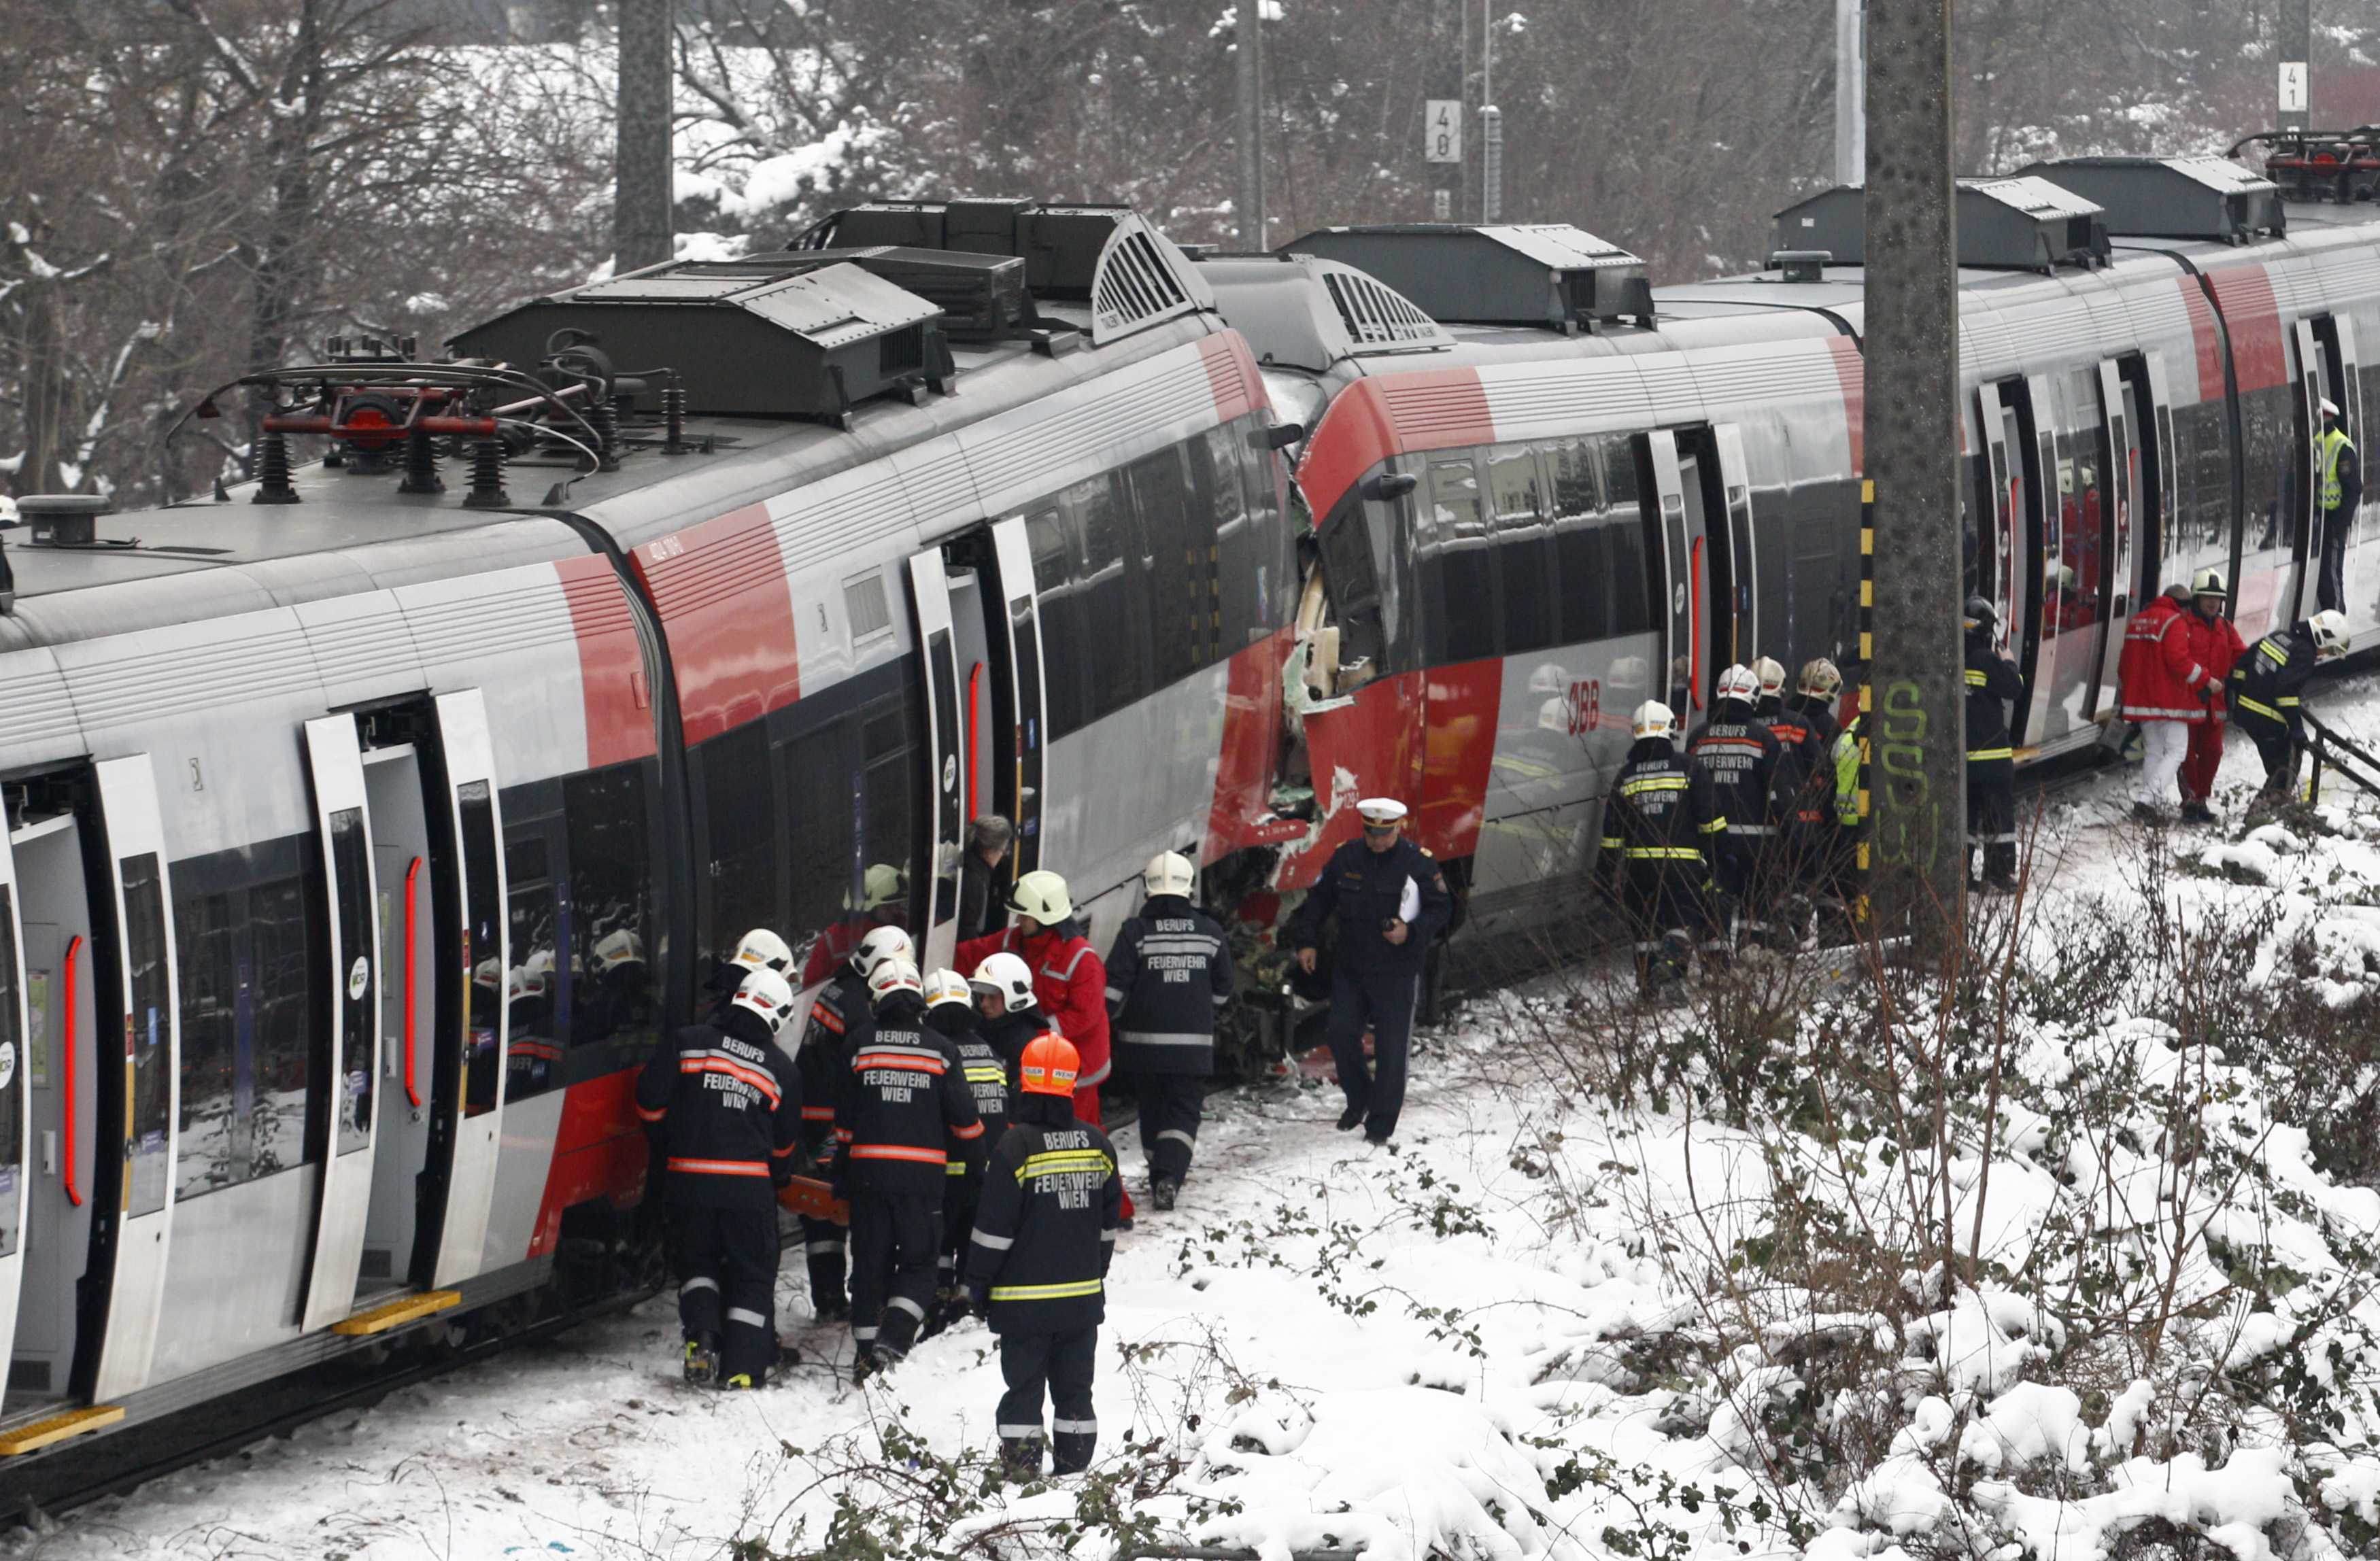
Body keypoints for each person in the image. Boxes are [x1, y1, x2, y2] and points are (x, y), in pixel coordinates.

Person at [962, 1033, 1123, 1480]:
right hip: (1081, 1302)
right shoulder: (1098, 1146)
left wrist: (977, 1285)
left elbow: (993, 1233)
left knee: (1024, 1389)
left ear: (1024, 1084)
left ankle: (1021, 1472)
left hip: (1022, 1306)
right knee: (1075, 1390)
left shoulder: (1014, 1149)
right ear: (1072, 1086)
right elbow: (1109, 1227)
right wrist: (1095, 1271)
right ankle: (1073, 1472)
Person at [633, 965, 803, 1388]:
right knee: (751, 1274)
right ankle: (742, 1371)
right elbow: (784, 1147)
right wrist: (777, 1177)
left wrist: (670, 1143)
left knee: (697, 1265)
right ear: (778, 1017)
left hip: (687, 1184)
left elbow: (650, 1101)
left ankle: (702, 1340)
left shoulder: (688, 1042)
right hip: (748, 1192)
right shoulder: (781, 1069)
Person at [834, 957, 983, 1377]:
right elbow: (966, 1123)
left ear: (876, 997)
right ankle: (895, 1339)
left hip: (868, 1177)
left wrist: (842, 1169)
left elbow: (843, 1123)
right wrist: (978, 1167)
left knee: (868, 1265)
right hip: (922, 1182)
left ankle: (866, 1356)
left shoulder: (859, 1044)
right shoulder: (941, 1049)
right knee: (920, 1264)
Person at [957, 870, 1132, 1222]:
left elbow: (1085, 1016)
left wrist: (1036, 1033)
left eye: (1026, 916)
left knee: (1084, 1137)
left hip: (1077, 1069)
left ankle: (1114, 1209)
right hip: (1038, 1061)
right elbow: (968, 954)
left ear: (1046, 917)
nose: (1020, 921)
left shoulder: (1082, 959)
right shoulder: (1013, 942)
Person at [1285, 797, 1454, 1144]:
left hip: (1396, 970)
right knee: (1340, 1032)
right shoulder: (1347, 857)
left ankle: (1380, 1126)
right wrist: (1307, 942)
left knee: (1392, 1051)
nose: (1377, 841)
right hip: (1352, 966)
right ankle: (1359, 1097)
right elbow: (1318, 902)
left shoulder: (1416, 863)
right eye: (1371, 833)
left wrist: (1411, 932)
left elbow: (1442, 909)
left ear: (1398, 828)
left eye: (1384, 834)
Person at [793, 923, 914, 1322]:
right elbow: (868, 1063)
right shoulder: (860, 1003)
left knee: (821, 1214)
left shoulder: (839, 988)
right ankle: (853, 1295)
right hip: (833, 1120)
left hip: (812, 1113)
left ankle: (828, 1297)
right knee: (850, 1203)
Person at [1104, 851, 1234, 1211]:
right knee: (1183, 1113)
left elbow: (1113, 991)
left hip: (1142, 1049)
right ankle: (1168, 1176)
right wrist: (1197, 1008)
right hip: (1192, 1050)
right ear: (1189, 891)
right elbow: (1224, 990)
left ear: (1147, 891)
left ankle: (1157, 1171)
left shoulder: (1135, 932)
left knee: (1153, 1111)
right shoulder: (1210, 932)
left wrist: (1106, 1023)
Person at [1597, 700, 1724, 997]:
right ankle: (1671, 967)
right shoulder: (1690, 768)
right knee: (1683, 920)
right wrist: (1721, 859)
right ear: (1671, 730)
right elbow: (1710, 822)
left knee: (1645, 932)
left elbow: (1613, 835)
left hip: (1639, 871)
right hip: (1683, 868)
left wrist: (1604, 878)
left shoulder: (1626, 776)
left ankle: (1649, 988)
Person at [924, 967, 1009, 1331]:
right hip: (988, 1171)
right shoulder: (988, 1050)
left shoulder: (938, 1052)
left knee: (940, 1244)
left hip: (948, 1171)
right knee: (970, 1244)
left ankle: (940, 1306)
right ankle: (966, 1301)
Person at [1686, 664, 1784, 952]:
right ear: (1753, 697)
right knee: (1757, 907)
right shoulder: (1764, 738)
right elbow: (1778, 794)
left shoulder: (1698, 738)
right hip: (1758, 846)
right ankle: (1750, 959)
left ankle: (1716, 971)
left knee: (1716, 906)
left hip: (1713, 846)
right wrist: (1793, 834)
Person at [2229, 608, 2352, 806]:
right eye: (2329, 650)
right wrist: (2297, 729)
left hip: (2247, 713)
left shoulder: (2280, 637)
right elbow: (2286, 694)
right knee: (2285, 769)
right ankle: (2262, 815)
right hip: (2265, 718)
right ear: (2322, 638)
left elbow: (2243, 663)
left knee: (2279, 767)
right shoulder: (2305, 653)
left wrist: (2236, 695)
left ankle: (2268, 811)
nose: (2324, 655)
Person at [2118, 582, 2217, 823]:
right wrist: (2207, 680)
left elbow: (2124, 663)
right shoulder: (2174, 622)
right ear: (2181, 604)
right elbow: (2178, 660)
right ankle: (2146, 800)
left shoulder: (2139, 620)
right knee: (2177, 751)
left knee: (2154, 750)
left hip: (2141, 699)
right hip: (2167, 701)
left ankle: (2150, 807)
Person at [1754, 654, 1832, 944]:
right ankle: (1796, 922)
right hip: (1802, 821)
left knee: (1764, 887)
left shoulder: (1748, 728)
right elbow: (1820, 768)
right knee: (1805, 875)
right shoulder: (1798, 724)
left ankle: (1769, 939)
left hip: (1758, 824)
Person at [1963, 598, 2026, 893]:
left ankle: (1961, 875)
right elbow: (2014, 689)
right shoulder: (1986, 660)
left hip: (1963, 758)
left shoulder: (1950, 658)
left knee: (1966, 817)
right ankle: (1998, 874)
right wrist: (2009, 662)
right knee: (1998, 817)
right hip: (1992, 756)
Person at [2179, 569, 2247, 825]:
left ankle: (2201, 798)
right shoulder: (2183, 625)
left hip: (2214, 705)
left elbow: (2242, 655)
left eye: (2216, 598)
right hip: (2187, 702)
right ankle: (2190, 802)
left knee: (2213, 752)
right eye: (2207, 597)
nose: (2212, 602)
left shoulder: (2226, 628)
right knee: (2186, 755)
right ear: (2196, 598)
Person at [2317, 397, 2361, 613]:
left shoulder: (2342, 446)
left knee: (2330, 578)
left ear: (2330, 416)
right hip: (2317, 523)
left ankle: (2336, 627)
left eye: (2323, 415)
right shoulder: (2315, 441)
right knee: (2319, 578)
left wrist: (2340, 525)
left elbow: (2353, 489)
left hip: (2334, 522)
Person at [958, 816, 1018, 942]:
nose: (1004, 855)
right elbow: (967, 929)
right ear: (989, 852)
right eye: (1003, 850)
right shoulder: (975, 882)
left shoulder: (964, 862)